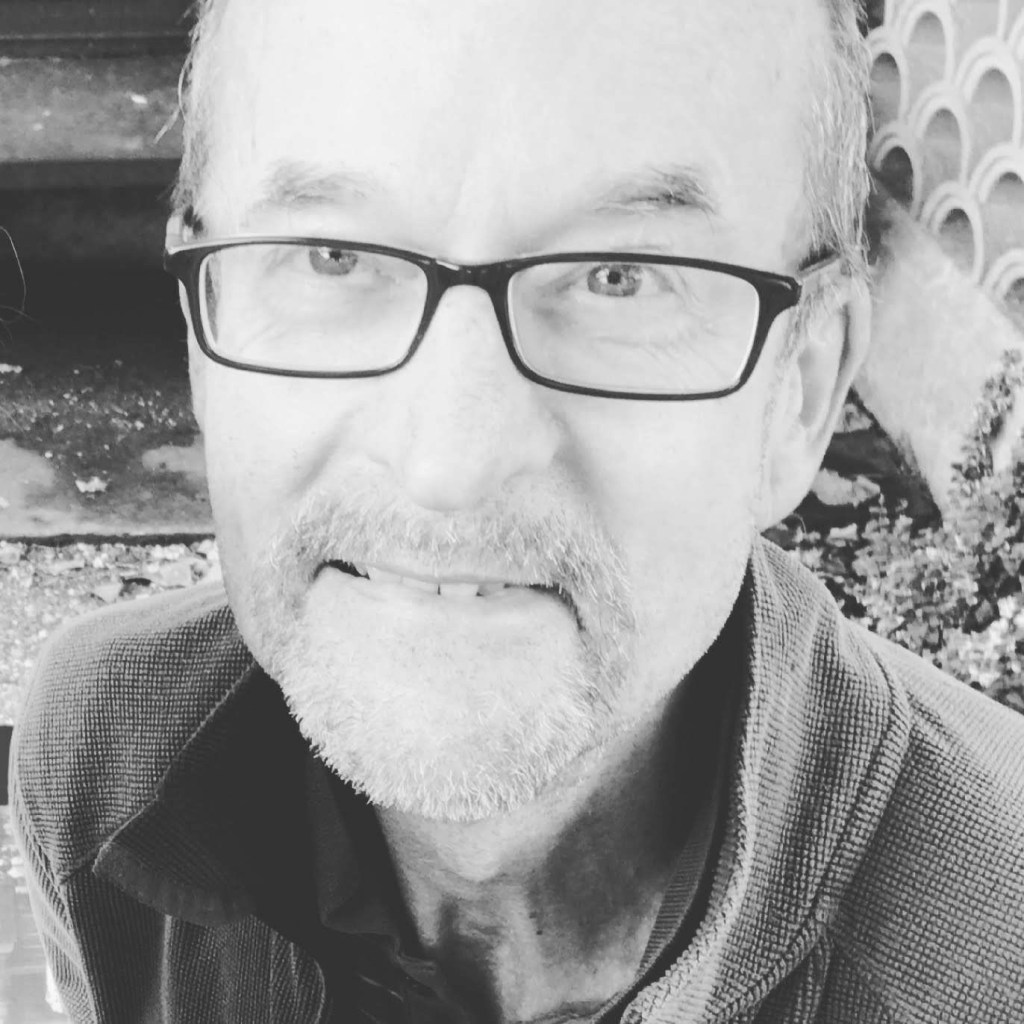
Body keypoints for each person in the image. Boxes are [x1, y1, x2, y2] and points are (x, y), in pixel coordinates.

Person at [11, 0, 1024, 1021]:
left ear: (799, 391)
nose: (447, 464)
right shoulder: (99, 757)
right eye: (331, 256)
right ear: (201, 330)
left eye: (621, 278)